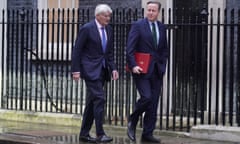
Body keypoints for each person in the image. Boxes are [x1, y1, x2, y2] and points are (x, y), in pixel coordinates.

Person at [71, 4, 119, 143]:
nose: (108, 18)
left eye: (109, 16)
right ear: (97, 15)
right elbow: (77, 50)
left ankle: (84, 134)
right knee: (100, 98)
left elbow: (109, 53)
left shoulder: (109, 30)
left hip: (103, 70)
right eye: (106, 15)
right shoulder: (87, 29)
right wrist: (76, 70)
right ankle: (100, 134)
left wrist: (113, 68)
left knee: (92, 102)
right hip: (90, 70)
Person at [126, 0, 168, 143]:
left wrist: (163, 64)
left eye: (153, 10)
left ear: (158, 12)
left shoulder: (162, 27)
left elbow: (164, 49)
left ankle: (147, 134)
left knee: (154, 102)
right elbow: (130, 48)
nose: (150, 12)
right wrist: (133, 65)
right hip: (141, 70)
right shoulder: (138, 26)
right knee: (147, 98)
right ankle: (133, 118)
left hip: (157, 70)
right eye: (148, 10)